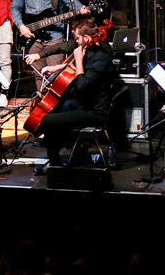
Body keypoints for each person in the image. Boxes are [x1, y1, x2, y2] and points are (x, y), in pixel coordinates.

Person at [35, 17, 115, 170]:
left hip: (94, 112)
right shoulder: (91, 49)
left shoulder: (101, 57)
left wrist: (78, 59)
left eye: (78, 38)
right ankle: (79, 149)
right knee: (57, 108)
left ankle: (55, 165)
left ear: (86, 38)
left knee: (47, 121)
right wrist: (58, 67)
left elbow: (82, 85)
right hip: (86, 104)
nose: (76, 42)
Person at [14, 0, 88, 91]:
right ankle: (41, 108)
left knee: (55, 78)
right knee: (38, 77)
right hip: (33, 40)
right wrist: (21, 26)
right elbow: (15, 7)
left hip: (54, 39)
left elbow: (71, 3)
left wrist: (83, 9)